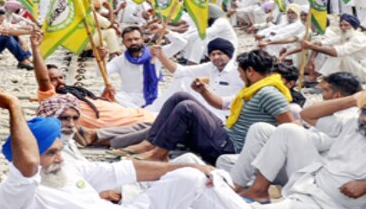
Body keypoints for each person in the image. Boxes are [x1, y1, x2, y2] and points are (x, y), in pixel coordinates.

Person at [0, 89, 365, 209]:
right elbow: (26, 162)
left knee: (187, 171)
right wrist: (14, 107)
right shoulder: (18, 197)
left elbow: (132, 171)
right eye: (50, 153)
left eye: (58, 150)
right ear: (28, 159)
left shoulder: (66, 169)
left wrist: (188, 169)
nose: (59, 156)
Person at [121, 50, 295, 163]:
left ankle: (158, 155)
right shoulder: (253, 90)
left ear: (250, 71)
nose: (240, 77)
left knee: (187, 107)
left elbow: (291, 128)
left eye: (241, 73)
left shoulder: (269, 93)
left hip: (230, 146)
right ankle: (149, 144)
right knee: (181, 97)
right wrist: (203, 91)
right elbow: (221, 103)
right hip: (226, 134)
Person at [218, 71, 363, 188]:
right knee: (225, 161)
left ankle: (237, 186)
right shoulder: (335, 113)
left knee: (261, 129)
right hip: (299, 159)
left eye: (325, 90)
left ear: (337, 95)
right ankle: (260, 186)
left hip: (312, 171)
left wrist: (290, 134)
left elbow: (319, 142)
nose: (322, 94)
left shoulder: (348, 117)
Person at [30, 30, 155, 130]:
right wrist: (36, 48)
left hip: (129, 114)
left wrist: (104, 96)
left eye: (61, 77)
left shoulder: (71, 94)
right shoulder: (52, 99)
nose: (60, 81)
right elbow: (43, 79)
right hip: (126, 121)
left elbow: (92, 104)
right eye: (54, 80)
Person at [150, 38, 244, 121]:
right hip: (210, 108)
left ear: (229, 55)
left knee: (183, 110)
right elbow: (181, 71)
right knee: (183, 83)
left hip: (225, 116)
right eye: (213, 54)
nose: (216, 57)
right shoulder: (211, 67)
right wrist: (161, 56)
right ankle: (155, 112)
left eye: (220, 54)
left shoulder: (239, 71)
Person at [105, 26, 182, 109]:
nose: (133, 42)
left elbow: (181, 43)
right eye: (129, 40)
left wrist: (164, 30)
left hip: (154, 97)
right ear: (123, 42)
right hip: (129, 99)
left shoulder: (156, 53)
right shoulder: (120, 60)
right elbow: (102, 72)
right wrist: (102, 59)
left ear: (142, 39)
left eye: (136, 39)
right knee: (115, 98)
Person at [291, 14, 366, 84]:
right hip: (351, 70)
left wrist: (311, 46)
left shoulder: (359, 38)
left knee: (337, 54)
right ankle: (319, 78)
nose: (343, 28)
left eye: (346, 25)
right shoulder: (343, 36)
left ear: (353, 26)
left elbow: (337, 52)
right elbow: (321, 42)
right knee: (327, 49)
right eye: (341, 25)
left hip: (364, 73)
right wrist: (311, 52)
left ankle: (323, 81)